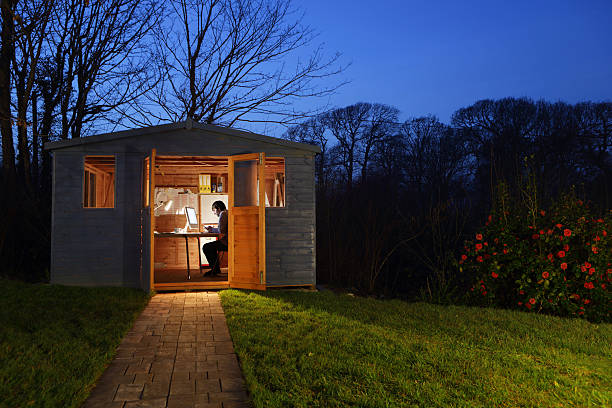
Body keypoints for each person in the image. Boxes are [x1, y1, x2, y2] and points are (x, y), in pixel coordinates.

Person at [202, 200, 227, 276]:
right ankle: (215, 269)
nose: (214, 213)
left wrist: (211, 230)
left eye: (214, 210)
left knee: (206, 247)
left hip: (227, 242)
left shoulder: (223, 214)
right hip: (230, 241)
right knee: (211, 246)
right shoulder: (227, 212)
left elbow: (221, 230)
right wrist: (212, 229)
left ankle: (215, 270)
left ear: (218, 208)